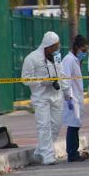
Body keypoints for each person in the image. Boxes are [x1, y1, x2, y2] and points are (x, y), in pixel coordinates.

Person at [21, 31, 71, 165]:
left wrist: (67, 91)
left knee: (56, 125)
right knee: (44, 126)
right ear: (47, 46)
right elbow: (25, 80)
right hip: (41, 97)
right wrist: (42, 81)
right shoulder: (31, 59)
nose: (56, 50)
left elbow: (61, 73)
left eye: (57, 47)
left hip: (56, 96)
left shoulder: (57, 57)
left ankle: (39, 152)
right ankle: (48, 156)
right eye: (54, 47)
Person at [62, 35, 89, 162]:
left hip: (76, 98)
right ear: (77, 48)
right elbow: (65, 80)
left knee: (75, 126)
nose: (84, 53)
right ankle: (72, 154)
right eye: (83, 51)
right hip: (71, 99)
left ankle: (74, 152)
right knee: (72, 126)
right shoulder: (68, 60)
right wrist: (68, 97)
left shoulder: (75, 60)